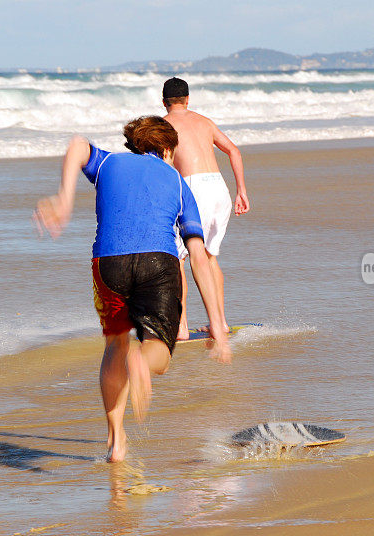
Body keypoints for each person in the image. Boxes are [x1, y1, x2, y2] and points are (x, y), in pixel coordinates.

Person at [33, 116, 232, 462]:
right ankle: (142, 360)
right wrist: (218, 325)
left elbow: (78, 144)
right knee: (157, 351)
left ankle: (116, 441)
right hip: (158, 263)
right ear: (167, 149)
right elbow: (198, 256)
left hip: (108, 266)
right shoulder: (177, 181)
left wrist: (64, 199)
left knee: (115, 345)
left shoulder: (108, 162)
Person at [161, 77, 250, 340]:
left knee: (179, 258)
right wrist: (241, 191)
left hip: (191, 188)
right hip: (218, 188)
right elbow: (233, 151)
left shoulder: (163, 126)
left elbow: (165, 166)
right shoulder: (204, 121)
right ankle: (220, 323)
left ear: (163, 101)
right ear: (188, 99)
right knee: (209, 256)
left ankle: (180, 327)